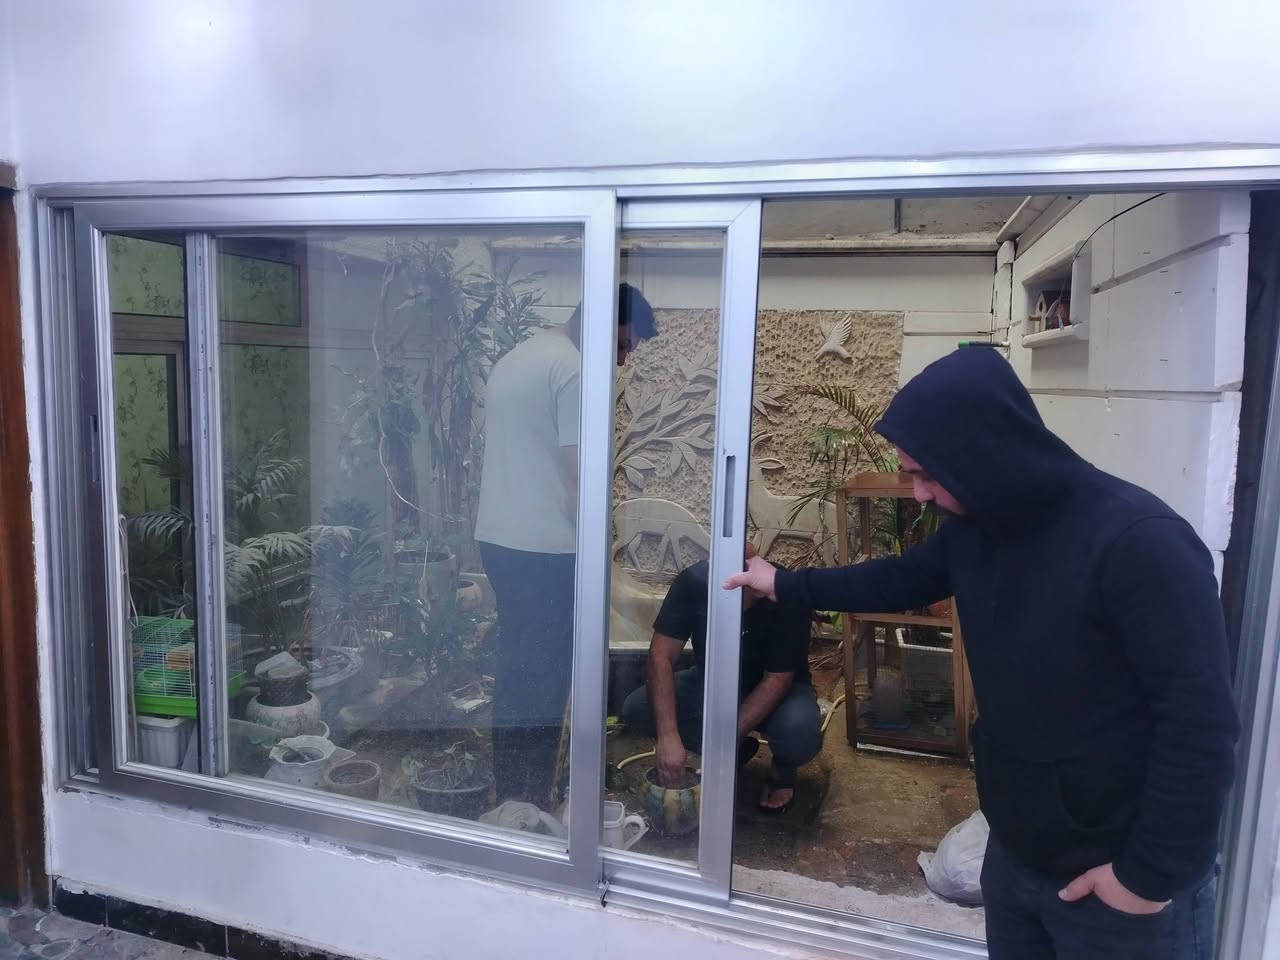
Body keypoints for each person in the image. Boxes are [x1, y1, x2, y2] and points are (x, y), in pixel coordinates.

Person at [724, 348, 1238, 960]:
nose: (918, 494)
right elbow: (898, 578)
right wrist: (784, 584)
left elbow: (1199, 727)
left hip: (1115, 885)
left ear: (981, 452)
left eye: (926, 474)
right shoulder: (979, 526)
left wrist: (1146, 880)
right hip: (1017, 855)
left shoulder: (1140, 544)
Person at [476, 283, 657, 806]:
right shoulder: (574, 370)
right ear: (595, 322)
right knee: (547, 678)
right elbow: (581, 477)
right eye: (621, 344)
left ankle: (511, 790)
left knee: (517, 670)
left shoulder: (519, 357)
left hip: (500, 542)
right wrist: (600, 550)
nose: (621, 360)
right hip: (546, 551)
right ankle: (531, 798)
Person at [623, 544, 822, 813]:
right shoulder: (693, 583)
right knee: (638, 708)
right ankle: (736, 751)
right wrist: (667, 734)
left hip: (778, 692)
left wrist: (725, 738)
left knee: (799, 732)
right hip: (713, 683)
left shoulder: (781, 590)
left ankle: (783, 768)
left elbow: (778, 679)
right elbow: (661, 656)